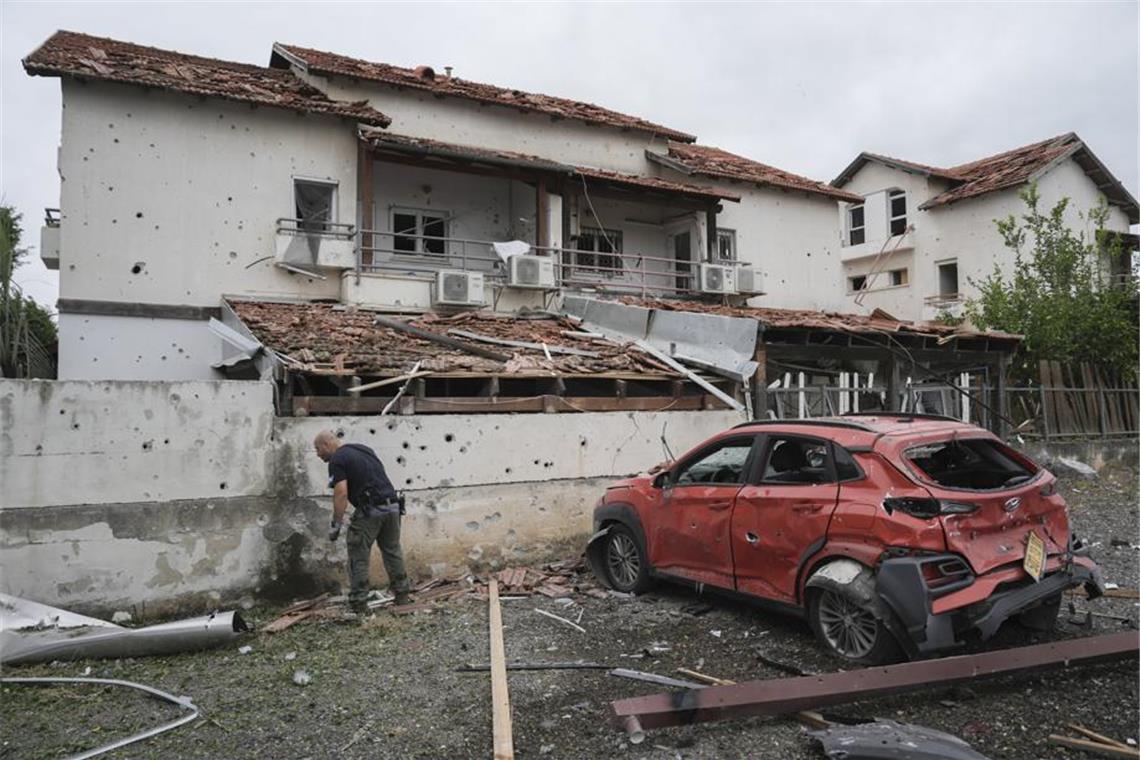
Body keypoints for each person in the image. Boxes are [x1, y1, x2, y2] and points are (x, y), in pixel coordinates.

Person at [313, 430, 412, 612]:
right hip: (392, 507)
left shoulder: (337, 460)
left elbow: (341, 492)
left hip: (370, 510)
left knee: (358, 555)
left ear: (327, 444)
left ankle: (359, 604)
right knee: (392, 551)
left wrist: (336, 524)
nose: (318, 454)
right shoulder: (364, 449)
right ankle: (402, 596)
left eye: (317, 449)